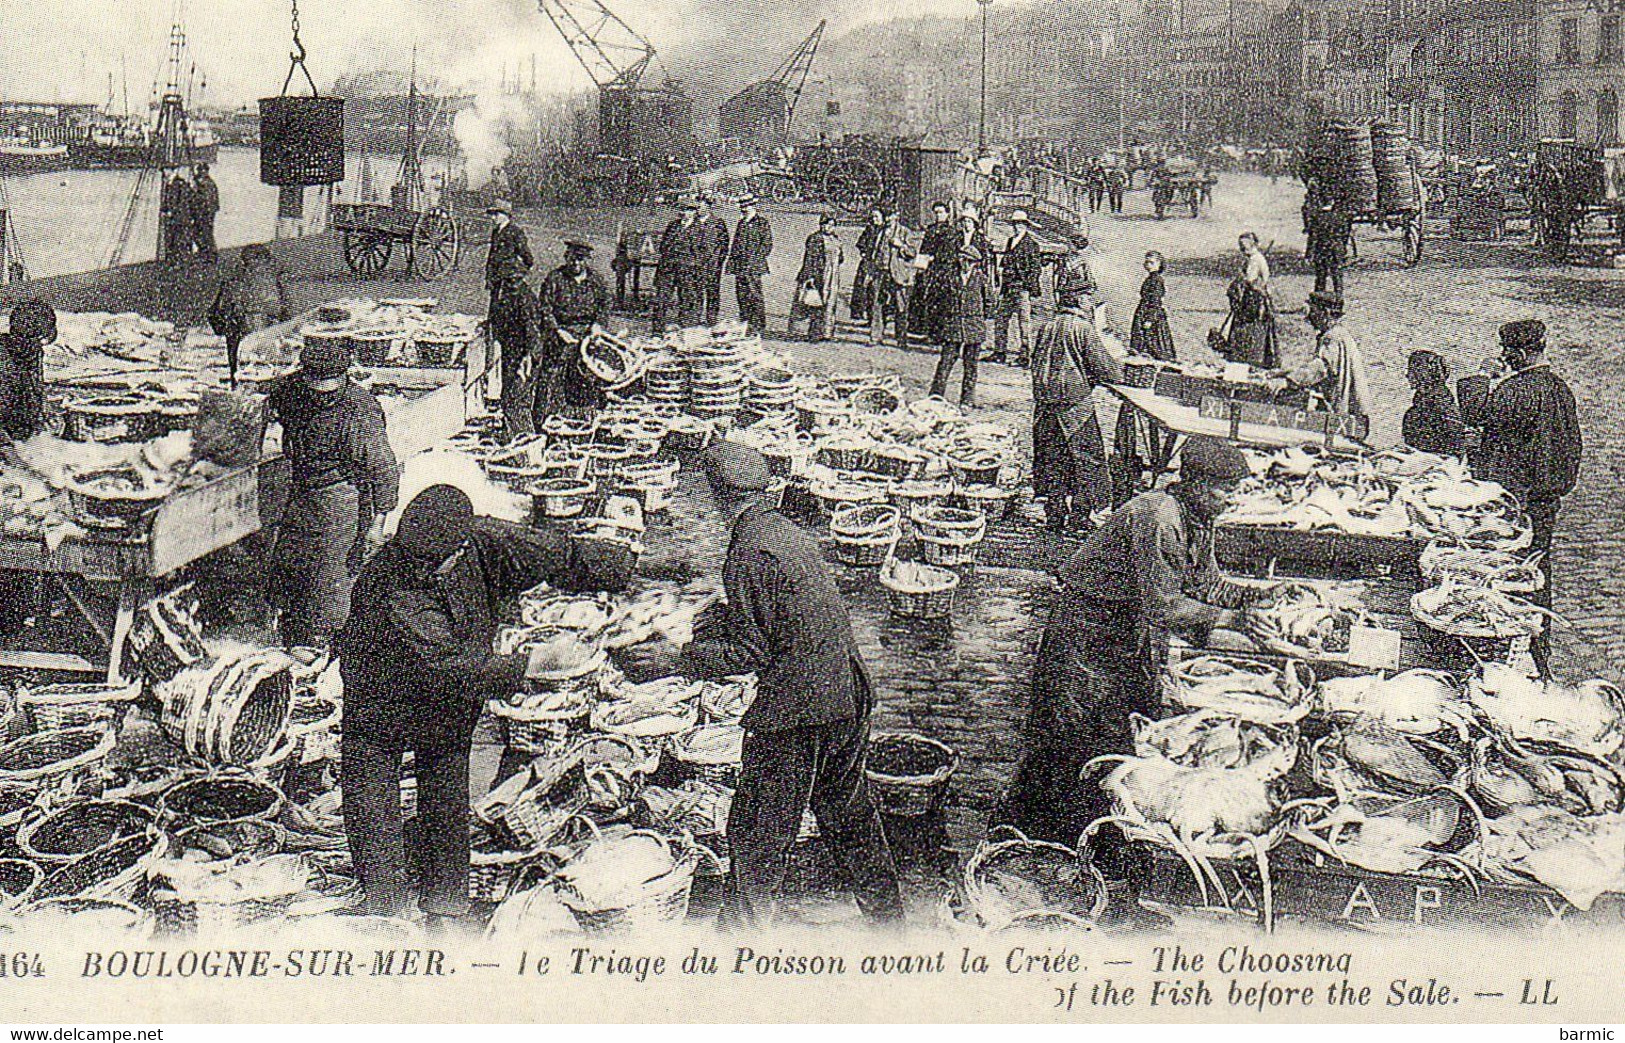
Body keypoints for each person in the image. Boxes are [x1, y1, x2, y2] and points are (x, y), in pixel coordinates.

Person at [991, 436, 1258, 931]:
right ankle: (1037, 851)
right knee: (1070, 740)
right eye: (1224, 491)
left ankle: (1096, 852)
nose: (1229, 501)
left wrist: (1258, 599)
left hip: (1124, 636)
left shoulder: (1198, 521)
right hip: (1086, 635)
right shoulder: (1159, 517)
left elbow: (1205, 585)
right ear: (1196, 484)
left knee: (1119, 740)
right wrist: (1234, 621)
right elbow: (1165, 605)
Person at [336, 485, 630, 928]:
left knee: (446, 781)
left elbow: (552, 553)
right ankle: (386, 906)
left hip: (448, 695)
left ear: (462, 543)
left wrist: (620, 568)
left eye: (436, 561)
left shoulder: (484, 540)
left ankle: (446, 905)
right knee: (371, 789)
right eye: (417, 560)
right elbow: (451, 667)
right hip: (380, 697)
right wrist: (539, 661)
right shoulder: (389, 584)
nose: (425, 568)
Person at [678, 443, 903, 929]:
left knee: (757, 834)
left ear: (717, 495)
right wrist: (719, 615)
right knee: (850, 819)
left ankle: (735, 946)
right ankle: (892, 926)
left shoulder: (748, 551)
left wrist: (678, 657)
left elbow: (747, 654)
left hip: (797, 712)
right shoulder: (784, 534)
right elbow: (790, 614)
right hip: (845, 694)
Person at [266, 336, 399, 650]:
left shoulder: (359, 411)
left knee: (333, 576)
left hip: (340, 498)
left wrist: (376, 527)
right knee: (291, 567)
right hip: (300, 490)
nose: (320, 395)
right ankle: (292, 634)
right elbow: (270, 408)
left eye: (328, 387)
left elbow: (383, 469)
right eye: (314, 385)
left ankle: (329, 643)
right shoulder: (289, 392)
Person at [1480, 319, 1581, 616]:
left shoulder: (1516, 389)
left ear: (1520, 355)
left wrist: (1484, 376)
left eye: (1505, 350)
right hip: (1548, 497)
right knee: (1538, 568)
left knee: (1512, 573)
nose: (1502, 354)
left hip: (1518, 497)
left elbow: (1477, 413)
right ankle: (1540, 631)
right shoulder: (1560, 388)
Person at [1031, 268, 1124, 533]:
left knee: (1052, 460)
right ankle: (1079, 518)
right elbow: (1109, 371)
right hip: (1074, 406)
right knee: (1086, 461)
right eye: (1088, 297)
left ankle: (1054, 515)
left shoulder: (1045, 326)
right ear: (1079, 299)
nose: (1090, 302)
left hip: (1045, 405)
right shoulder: (1082, 328)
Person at [535, 240, 612, 416]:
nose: (576, 264)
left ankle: (587, 414)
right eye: (572, 259)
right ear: (566, 258)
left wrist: (598, 324)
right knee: (552, 380)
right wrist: (557, 330)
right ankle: (548, 418)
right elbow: (544, 307)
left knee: (590, 375)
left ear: (587, 260)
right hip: (561, 333)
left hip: (587, 333)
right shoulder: (555, 278)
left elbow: (606, 303)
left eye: (580, 260)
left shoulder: (596, 280)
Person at [484, 200, 539, 441]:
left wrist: (515, 274)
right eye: (492, 214)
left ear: (505, 214)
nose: (493, 217)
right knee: (498, 315)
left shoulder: (515, 233)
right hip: (500, 284)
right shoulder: (496, 232)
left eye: (496, 214)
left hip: (508, 282)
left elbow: (528, 258)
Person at [1275, 290, 1371, 419]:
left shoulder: (1333, 337)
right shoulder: (1340, 334)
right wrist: (1285, 372)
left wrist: (1288, 381)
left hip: (1345, 416)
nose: (1308, 318)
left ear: (1325, 313)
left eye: (1313, 312)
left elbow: (1319, 369)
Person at [927, 217, 992, 407]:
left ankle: (967, 400)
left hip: (973, 326)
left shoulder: (981, 279)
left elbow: (990, 302)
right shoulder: (950, 277)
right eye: (964, 260)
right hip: (953, 324)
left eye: (971, 262)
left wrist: (979, 318)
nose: (966, 264)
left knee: (970, 366)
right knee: (945, 362)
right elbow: (940, 300)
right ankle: (935, 396)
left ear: (975, 263)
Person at [209, 244, 291, 386]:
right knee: (265, 372)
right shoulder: (273, 281)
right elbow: (286, 311)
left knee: (241, 372)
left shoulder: (232, 282)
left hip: (241, 336)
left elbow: (216, 312)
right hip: (263, 334)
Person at [1217, 232, 1277, 368]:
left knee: (1250, 332)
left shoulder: (1256, 260)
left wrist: (1239, 279)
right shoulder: (1252, 258)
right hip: (1250, 299)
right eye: (1240, 246)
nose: (1242, 249)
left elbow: (1250, 280)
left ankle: (1249, 360)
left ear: (1253, 244)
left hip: (1254, 302)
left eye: (1244, 245)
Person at [0, 299, 55, 443]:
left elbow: (37, 390)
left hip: (23, 435)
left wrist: (45, 411)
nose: (36, 348)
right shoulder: (4, 363)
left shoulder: (34, 354)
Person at [994, 210, 1043, 366]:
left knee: (1024, 323)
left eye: (1020, 224)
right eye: (1015, 224)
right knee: (1001, 319)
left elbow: (1035, 269)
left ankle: (1024, 356)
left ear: (1026, 226)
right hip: (1008, 288)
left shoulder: (1032, 245)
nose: (1017, 227)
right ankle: (999, 352)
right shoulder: (1010, 242)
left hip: (1021, 289)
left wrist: (1027, 287)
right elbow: (1005, 267)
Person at [653, 197, 706, 335]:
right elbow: (663, 246)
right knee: (661, 299)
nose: (685, 213)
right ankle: (657, 331)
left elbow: (703, 252)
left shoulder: (700, 229)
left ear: (694, 212)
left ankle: (685, 330)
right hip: (668, 269)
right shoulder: (673, 226)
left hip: (687, 270)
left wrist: (692, 264)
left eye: (689, 210)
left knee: (687, 300)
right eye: (682, 209)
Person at [789, 214, 843, 342]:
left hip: (832, 276)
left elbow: (841, 258)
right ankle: (813, 333)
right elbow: (810, 259)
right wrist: (810, 277)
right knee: (814, 304)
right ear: (821, 225)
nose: (829, 228)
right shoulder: (815, 238)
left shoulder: (836, 239)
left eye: (832, 225)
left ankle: (826, 332)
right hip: (818, 274)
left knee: (829, 304)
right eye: (826, 225)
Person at [1402, 349, 1466, 457]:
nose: (1407, 375)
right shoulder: (1417, 409)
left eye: (1411, 371)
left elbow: (1453, 449)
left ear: (1422, 374)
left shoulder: (1443, 409)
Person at [728, 195, 773, 335]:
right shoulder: (741, 222)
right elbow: (735, 244)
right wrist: (732, 264)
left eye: (746, 206)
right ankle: (745, 323)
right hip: (740, 267)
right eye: (742, 206)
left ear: (753, 206)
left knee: (754, 296)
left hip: (754, 267)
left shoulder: (761, 222)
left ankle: (758, 325)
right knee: (742, 296)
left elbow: (767, 245)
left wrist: (754, 260)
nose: (744, 209)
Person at [873, 209, 916, 347]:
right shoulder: (880, 232)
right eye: (886, 216)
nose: (888, 219)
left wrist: (901, 245)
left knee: (901, 307)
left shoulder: (905, 232)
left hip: (898, 274)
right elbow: (875, 252)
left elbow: (913, 252)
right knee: (878, 305)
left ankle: (901, 339)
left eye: (891, 216)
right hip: (882, 272)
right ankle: (876, 336)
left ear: (896, 216)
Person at [917, 201, 958, 342]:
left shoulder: (952, 231)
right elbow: (924, 249)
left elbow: (950, 252)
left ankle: (941, 335)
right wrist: (921, 265)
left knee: (943, 302)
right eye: (936, 213)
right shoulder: (931, 229)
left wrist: (934, 257)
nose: (938, 215)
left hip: (944, 270)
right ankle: (930, 332)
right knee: (929, 299)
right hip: (930, 269)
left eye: (941, 212)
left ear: (947, 213)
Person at [1129, 250, 1176, 362]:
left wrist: (1149, 319)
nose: (1148, 265)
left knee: (1154, 343)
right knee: (1142, 341)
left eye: (1151, 263)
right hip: (1143, 312)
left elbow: (1155, 301)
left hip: (1152, 315)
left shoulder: (1156, 280)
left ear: (1159, 264)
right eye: (1146, 262)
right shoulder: (1150, 278)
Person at [1307, 198, 1352, 298]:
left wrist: (1309, 254)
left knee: (1321, 275)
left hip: (1321, 248)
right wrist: (1342, 247)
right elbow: (1345, 234)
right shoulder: (1340, 217)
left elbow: (1312, 237)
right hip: (1337, 248)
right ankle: (1339, 298)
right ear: (1332, 203)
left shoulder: (1317, 217)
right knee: (1337, 274)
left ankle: (1318, 300)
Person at [699, 193, 732, 327]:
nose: (698, 210)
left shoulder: (718, 223)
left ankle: (712, 318)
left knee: (712, 291)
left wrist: (718, 261)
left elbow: (724, 244)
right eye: (696, 208)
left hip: (712, 265)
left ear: (708, 207)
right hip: (695, 265)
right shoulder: (693, 222)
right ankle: (696, 317)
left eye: (701, 207)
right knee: (695, 291)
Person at [852, 207, 887, 325]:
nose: (874, 219)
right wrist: (863, 252)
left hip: (881, 264)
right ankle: (866, 315)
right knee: (864, 289)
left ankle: (880, 319)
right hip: (868, 262)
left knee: (879, 291)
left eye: (877, 216)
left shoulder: (886, 230)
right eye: (872, 217)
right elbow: (861, 243)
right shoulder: (869, 229)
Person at [160, 172, 195, 262]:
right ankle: (174, 259)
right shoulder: (170, 184)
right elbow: (168, 201)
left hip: (180, 218)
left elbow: (182, 202)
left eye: (166, 171)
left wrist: (171, 211)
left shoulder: (179, 185)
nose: (164, 174)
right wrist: (165, 210)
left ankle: (183, 260)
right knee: (173, 239)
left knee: (181, 239)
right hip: (175, 218)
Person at [190, 163, 220, 262]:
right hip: (204, 213)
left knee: (204, 233)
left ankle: (210, 254)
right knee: (200, 233)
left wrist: (197, 189)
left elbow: (206, 200)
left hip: (205, 213)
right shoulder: (206, 183)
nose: (200, 173)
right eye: (199, 171)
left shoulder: (207, 184)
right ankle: (205, 252)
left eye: (202, 171)